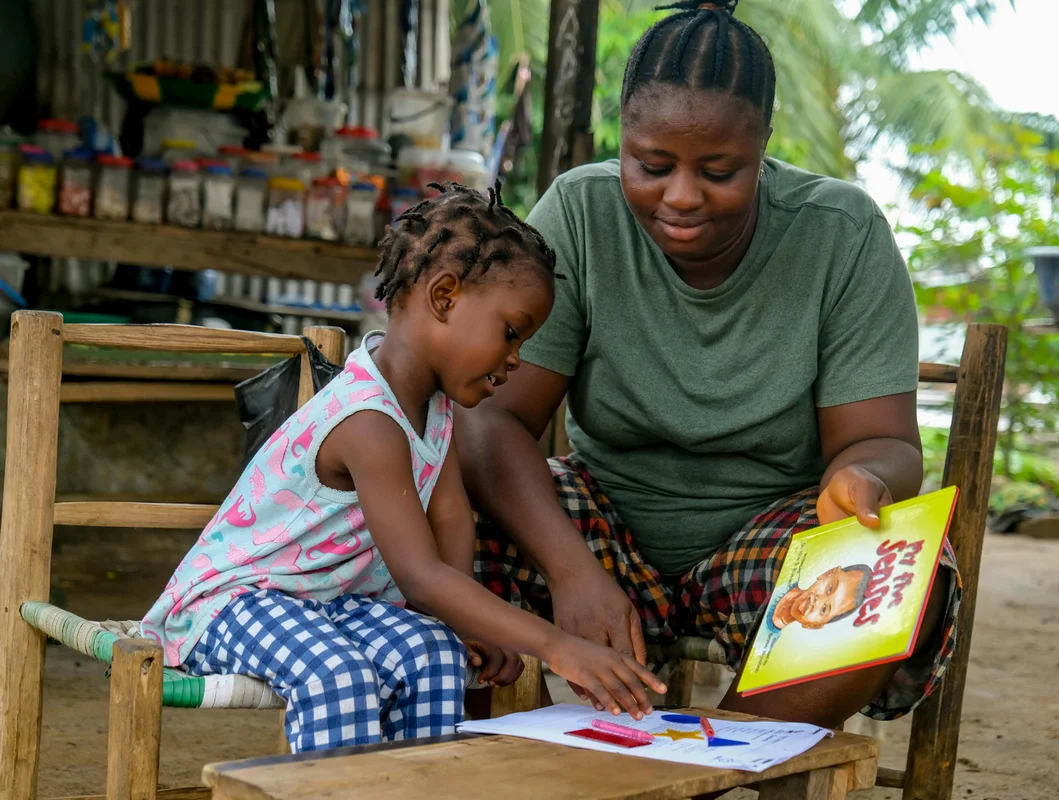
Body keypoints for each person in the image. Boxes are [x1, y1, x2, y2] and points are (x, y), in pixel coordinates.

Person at [456, 0, 962, 729]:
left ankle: (712, 761)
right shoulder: (579, 213)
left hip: (768, 532)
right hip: (599, 523)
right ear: (622, 138)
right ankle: (525, 760)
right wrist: (572, 571)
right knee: (436, 508)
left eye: (720, 170)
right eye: (651, 165)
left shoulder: (842, 235)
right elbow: (493, 420)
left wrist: (863, 479)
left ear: (763, 146)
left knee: (902, 573)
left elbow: (879, 442)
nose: (682, 197)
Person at [142, 183, 665, 753]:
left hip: (325, 606)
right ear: (444, 296)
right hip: (231, 605)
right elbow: (421, 576)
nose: (516, 359)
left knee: (436, 655)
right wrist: (556, 645)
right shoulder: (368, 418)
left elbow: (453, 520)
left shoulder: (433, 409)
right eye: (511, 332)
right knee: (336, 677)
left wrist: (464, 628)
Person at [770, 566, 872, 631]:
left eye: (824, 609)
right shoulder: (783, 573)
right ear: (827, 573)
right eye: (830, 588)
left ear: (815, 626)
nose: (817, 602)